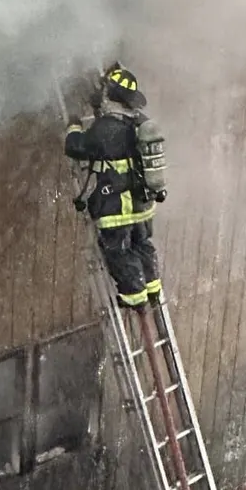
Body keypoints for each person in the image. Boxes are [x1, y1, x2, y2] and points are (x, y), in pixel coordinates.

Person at [64, 66, 166, 311]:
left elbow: (75, 147)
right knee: (142, 245)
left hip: (117, 207)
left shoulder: (105, 128)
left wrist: (74, 126)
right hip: (143, 203)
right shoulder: (139, 122)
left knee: (119, 252)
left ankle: (135, 297)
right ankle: (153, 289)